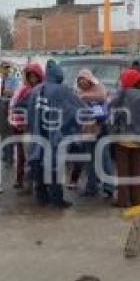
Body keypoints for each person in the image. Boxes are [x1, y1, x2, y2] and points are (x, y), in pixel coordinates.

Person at [27, 60, 86, 208]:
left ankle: (41, 197)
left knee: (38, 163)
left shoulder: (35, 90)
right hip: (54, 135)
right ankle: (57, 199)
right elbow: (77, 110)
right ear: (59, 74)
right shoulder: (61, 90)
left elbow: (27, 111)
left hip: (37, 134)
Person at [108, 68, 140, 208]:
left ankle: (123, 200)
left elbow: (111, 112)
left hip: (122, 138)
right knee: (138, 170)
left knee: (123, 172)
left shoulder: (120, 94)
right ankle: (138, 199)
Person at [72, 69, 114, 198]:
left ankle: (108, 187)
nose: (82, 83)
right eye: (80, 81)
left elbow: (102, 96)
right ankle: (92, 187)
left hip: (101, 128)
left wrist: (83, 97)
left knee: (104, 158)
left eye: (84, 80)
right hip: (87, 131)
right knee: (90, 160)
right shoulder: (79, 93)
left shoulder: (99, 89)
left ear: (90, 80)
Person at [9, 62, 44, 190]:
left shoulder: (42, 89)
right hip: (21, 128)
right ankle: (20, 179)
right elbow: (15, 107)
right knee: (21, 155)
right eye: (30, 76)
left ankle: (33, 181)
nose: (33, 79)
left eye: (35, 76)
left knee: (34, 156)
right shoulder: (22, 90)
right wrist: (21, 124)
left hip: (37, 128)